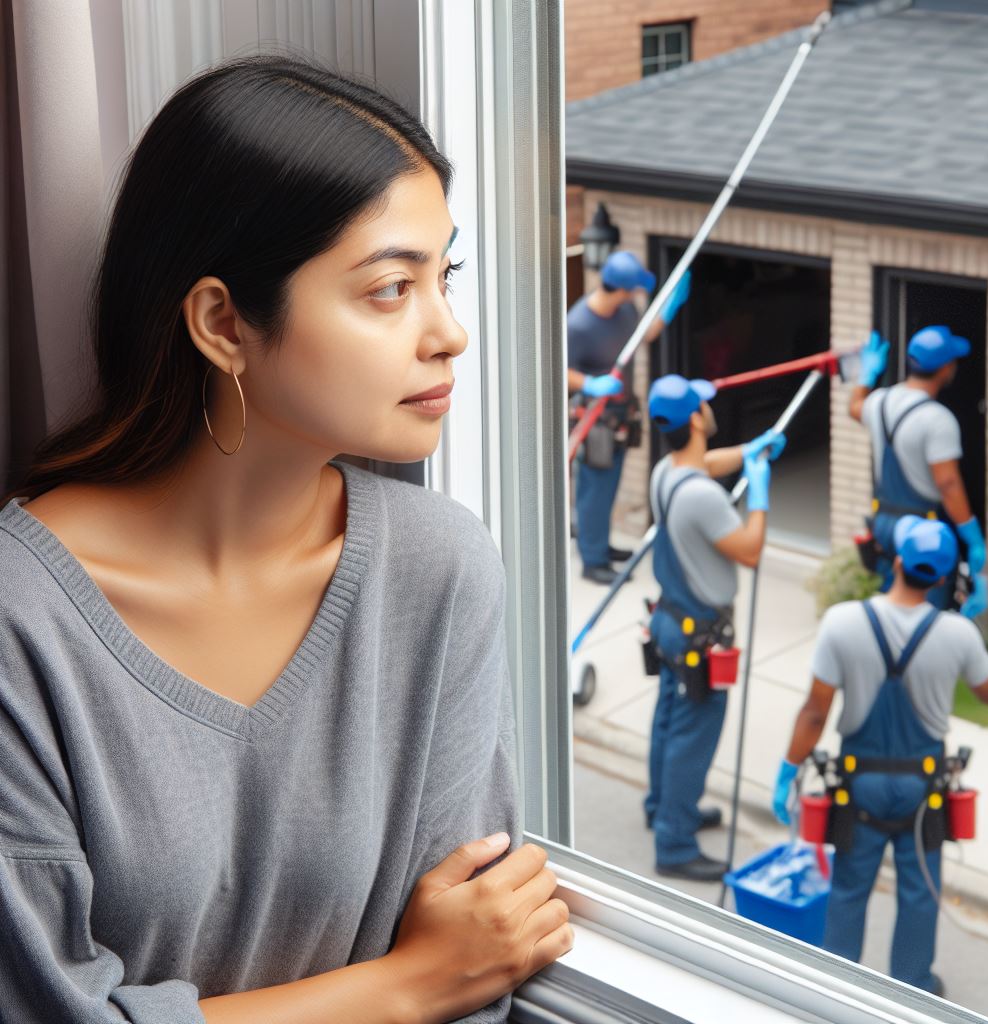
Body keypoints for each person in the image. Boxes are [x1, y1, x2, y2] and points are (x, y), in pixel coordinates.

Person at [0, 57, 572, 1024]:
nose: (450, 333)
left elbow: (477, 969)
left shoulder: (440, 570)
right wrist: (405, 985)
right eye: (390, 289)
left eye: (445, 277)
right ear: (224, 323)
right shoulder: (21, 623)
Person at [772, 516, 988, 997]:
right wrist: (967, 624)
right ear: (941, 577)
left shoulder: (843, 622)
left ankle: (837, 988)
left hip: (860, 786)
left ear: (896, 562)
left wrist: (789, 769)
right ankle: (911, 986)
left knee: (850, 887)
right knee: (919, 891)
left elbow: (815, 712)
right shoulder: (957, 633)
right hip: (924, 789)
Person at [644, 374, 785, 882]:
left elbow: (706, 464)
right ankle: (675, 844)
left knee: (669, 719)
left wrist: (749, 452)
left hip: (670, 621)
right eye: (703, 404)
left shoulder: (666, 472)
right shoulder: (702, 496)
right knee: (693, 735)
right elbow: (749, 550)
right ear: (696, 419)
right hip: (700, 635)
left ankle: (664, 806)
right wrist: (760, 495)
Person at [568, 252, 691, 584]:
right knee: (594, 490)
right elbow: (560, 369)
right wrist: (590, 383)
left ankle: (601, 546)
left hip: (621, 416)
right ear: (622, 289)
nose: (637, 293)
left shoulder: (625, 310)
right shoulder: (579, 324)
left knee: (609, 486)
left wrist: (669, 308)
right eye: (634, 288)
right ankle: (592, 561)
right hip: (595, 420)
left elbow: (642, 335)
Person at [850, 326, 988, 618]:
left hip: (884, 523)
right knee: (925, 614)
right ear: (946, 368)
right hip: (923, 530)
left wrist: (866, 376)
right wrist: (972, 536)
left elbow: (854, 407)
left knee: (892, 603)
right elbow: (948, 484)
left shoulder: (879, 401)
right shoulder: (937, 420)